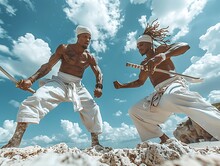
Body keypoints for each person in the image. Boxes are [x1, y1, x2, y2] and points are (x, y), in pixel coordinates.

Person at [113, 20, 220, 144]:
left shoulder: (161, 50)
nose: (139, 48)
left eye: (141, 45)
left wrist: (163, 56)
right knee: (135, 111)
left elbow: (184, 46)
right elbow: (140, 82)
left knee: (172, 96)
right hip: (159, 94)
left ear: (149, 43)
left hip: (174, 84)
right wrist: (122, 86)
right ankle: (164, 139)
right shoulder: (144, 64)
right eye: (137, 46)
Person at [2, 25, 104, 148]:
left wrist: (99, 86)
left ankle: (95, 143)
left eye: (89, 38)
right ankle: (15, 140)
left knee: (93, 108)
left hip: (77, 86)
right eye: (85, 37)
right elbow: (47, 66)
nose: (88, 40)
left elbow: (98, 72)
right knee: (36, 99)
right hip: (59, 82)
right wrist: (31, 79)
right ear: (78, 37)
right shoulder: (64, 48)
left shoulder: (89, 57)